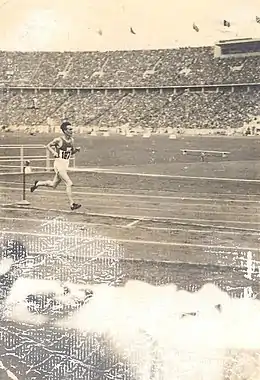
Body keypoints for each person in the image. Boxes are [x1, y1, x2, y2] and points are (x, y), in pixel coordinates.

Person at [30, 121, 81, 211]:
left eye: (72, 129)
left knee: (53, 185)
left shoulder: (72, 140)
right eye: (70, 129)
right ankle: (72, 204)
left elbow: (70, 153)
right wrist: (53, 152)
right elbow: (48, 146)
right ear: (65, 131)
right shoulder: (59, 140)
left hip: (65, 164)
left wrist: (76, 150)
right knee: (69, 183)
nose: (72, 131)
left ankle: (38, 183)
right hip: (59, 164)